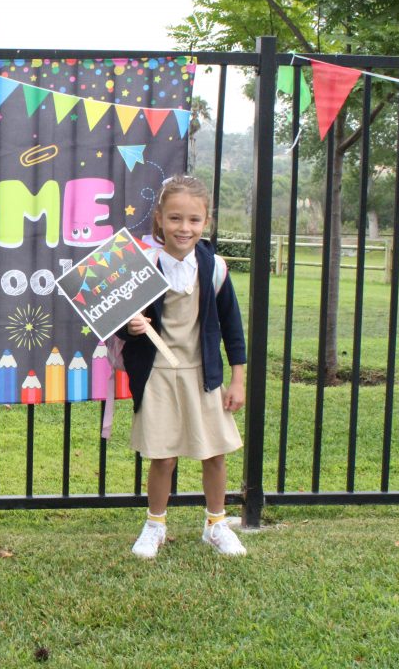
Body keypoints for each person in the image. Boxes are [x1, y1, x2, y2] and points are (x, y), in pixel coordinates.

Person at [119, 175, 247, 558]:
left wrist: (237, 380)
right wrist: (133, 325)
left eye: (193, 220)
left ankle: (216, 524)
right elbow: (123, 321)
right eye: (175, 218)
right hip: (158, 374)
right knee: (163, 456)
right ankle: (154, 526)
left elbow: (233, 330)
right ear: (159, 218)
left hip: (201, 374)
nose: (184, 228)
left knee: (214, 454)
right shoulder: (142, 264)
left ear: (205, 221)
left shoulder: (215, 269)